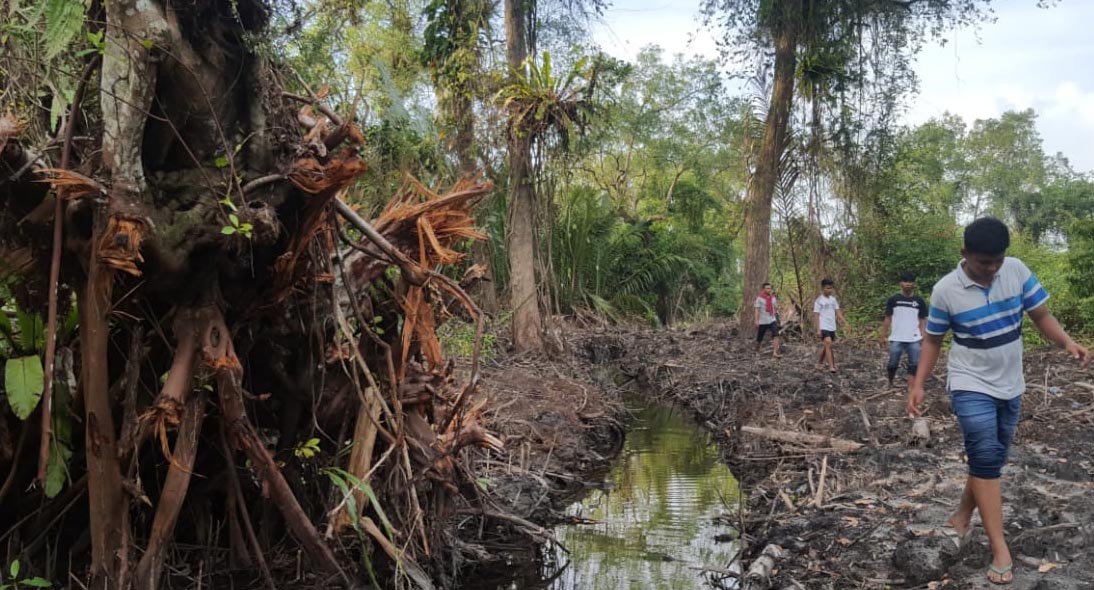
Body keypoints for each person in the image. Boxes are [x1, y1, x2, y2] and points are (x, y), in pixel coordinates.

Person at [907, 217, 1089, 585]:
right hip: (969, 382)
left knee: (991, 459)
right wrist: (919, 384)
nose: (991, 269)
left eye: (997, 262)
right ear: (965, 254)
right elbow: (933, 341)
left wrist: (1066, 342)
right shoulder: (945, 290)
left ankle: (961, 513)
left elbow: (1041, 314)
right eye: (983, 263)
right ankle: (999, 547)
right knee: (985, 456)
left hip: (1011, 383)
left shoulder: (1017, 271)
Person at [880, 271, 928, 388]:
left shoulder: (919, 301)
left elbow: (922, 320)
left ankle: (911, 387)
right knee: (893, 363)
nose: (907, 284)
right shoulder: (894, 300)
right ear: (900, 283)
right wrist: (882, 336)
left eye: (910, 281)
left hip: (914, 337)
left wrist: (924, 336)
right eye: (905, 281)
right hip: (897, 337)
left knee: (914, 363)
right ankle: (890, 382)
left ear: (914, 284)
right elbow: (888, 318)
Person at [813, 278, 849, 372]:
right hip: (823, 325)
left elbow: (838, 312)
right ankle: (831, 366)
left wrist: (845, 322)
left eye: (831, 288)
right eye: (828, 288)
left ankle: (819, 363)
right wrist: (818, 329)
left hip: (832, 326)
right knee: (828, 343)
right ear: (823, 288)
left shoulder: (833, 300)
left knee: (827, 345)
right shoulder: (819, 300)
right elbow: (816, 315)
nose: (830, 290)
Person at [754, 282, 782, 358]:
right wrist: (756, 320)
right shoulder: (759, 298)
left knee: (776, 334)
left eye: (770, 288)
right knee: (760, 338)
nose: (769, 289)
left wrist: (777, 312)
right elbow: (757, 309)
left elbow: (776, 307)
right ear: (763, 289)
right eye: (767, 288)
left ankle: (775, 353)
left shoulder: (773, 298)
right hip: (763, 321)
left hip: (772, 319)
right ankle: (757, 350)